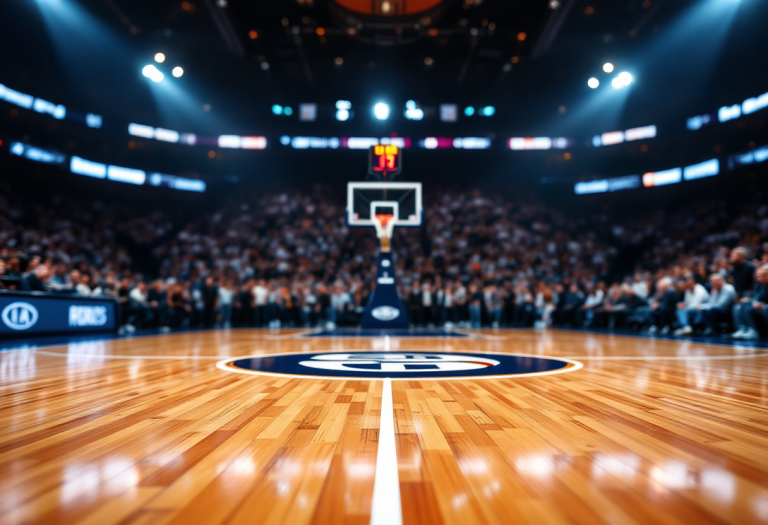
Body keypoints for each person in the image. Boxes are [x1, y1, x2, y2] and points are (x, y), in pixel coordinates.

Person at [732, 266, 768, 340]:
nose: (759, 278)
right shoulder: (759, 285)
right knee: (744, 305)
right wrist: (754, 302)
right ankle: (748, 329)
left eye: (762, 276)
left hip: (765, 306)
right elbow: (756, 297)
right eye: (758, 276)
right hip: (760, 305)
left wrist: (765, 304)